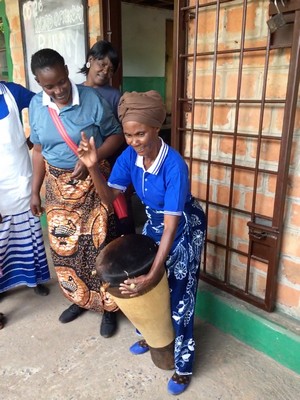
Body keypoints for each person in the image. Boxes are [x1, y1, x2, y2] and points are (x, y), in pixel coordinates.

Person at [78, 90, 207, 396]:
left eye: (140, 133)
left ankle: (183, 364)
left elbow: (173, 226)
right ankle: (152, 336)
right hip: (154, 224)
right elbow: (110, 198)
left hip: (182, 229)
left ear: (155, 129)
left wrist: (154, 271)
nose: (134, 140)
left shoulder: (174, 166)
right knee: (145, 289)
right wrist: (94, 166)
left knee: (180, 298)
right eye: (128, 134)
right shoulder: (129, 157)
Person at [28, 48, 124, 338]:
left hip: (93, 180)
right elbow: (38, 149)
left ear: (68, 71)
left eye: (61, 81)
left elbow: (116, 136)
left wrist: (88, 159)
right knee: (66, 249)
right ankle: (79, 299)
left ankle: (108, 307)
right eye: (49, 86)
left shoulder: (92, 100)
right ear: (38, 82)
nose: (58, 90)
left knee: (99, 246)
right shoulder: (35, 106)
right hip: (57, 188)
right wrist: (35, 191)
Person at [0, 81, 50, 302]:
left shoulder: (12, 92)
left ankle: (34, 279)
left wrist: (34, 140)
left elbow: (42, 102)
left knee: (29, 232)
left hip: (19, 175)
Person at [80, 40, 136, 235]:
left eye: (111, 69)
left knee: (119, 211)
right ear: (90, 60)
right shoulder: (74, 92)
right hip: (83, 161)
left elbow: (121, 133)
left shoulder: (114, 96)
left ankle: (124, 252)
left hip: (111, 161)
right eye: (102, 64)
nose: (105, 71)